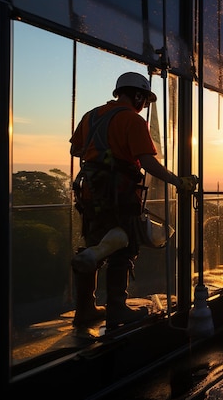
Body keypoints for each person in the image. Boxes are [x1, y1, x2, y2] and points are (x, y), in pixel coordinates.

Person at [70, 72, 197, 332]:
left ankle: (85, 309)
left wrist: (102, 153)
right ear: (137, 95)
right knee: (123, 246)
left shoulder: (91, 116)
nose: (144, 105)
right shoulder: (132, 119)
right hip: (120, 194)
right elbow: (148, 161)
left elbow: (76, 150)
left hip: (91, 193)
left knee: (96, 243)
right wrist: (177, 181)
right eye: (145, 99)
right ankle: (117, 307)